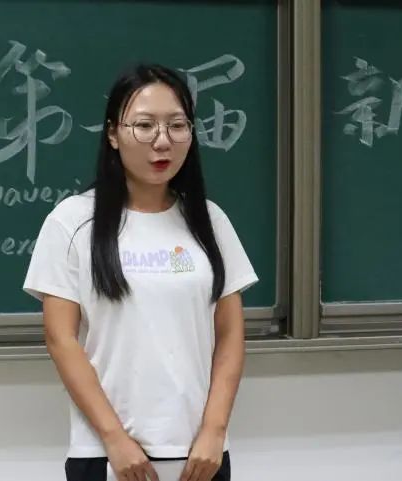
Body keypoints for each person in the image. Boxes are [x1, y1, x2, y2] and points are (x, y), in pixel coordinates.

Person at [23, 64, 258, 481]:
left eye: (177, 126)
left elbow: (230, 335)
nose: (162, 141)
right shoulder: (72, 221)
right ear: (113, 134)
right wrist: (114, 438)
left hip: (201, 458)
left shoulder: (210, 221)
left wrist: (214, 431)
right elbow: (61, 340)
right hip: (107, 456)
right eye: (144, 126)